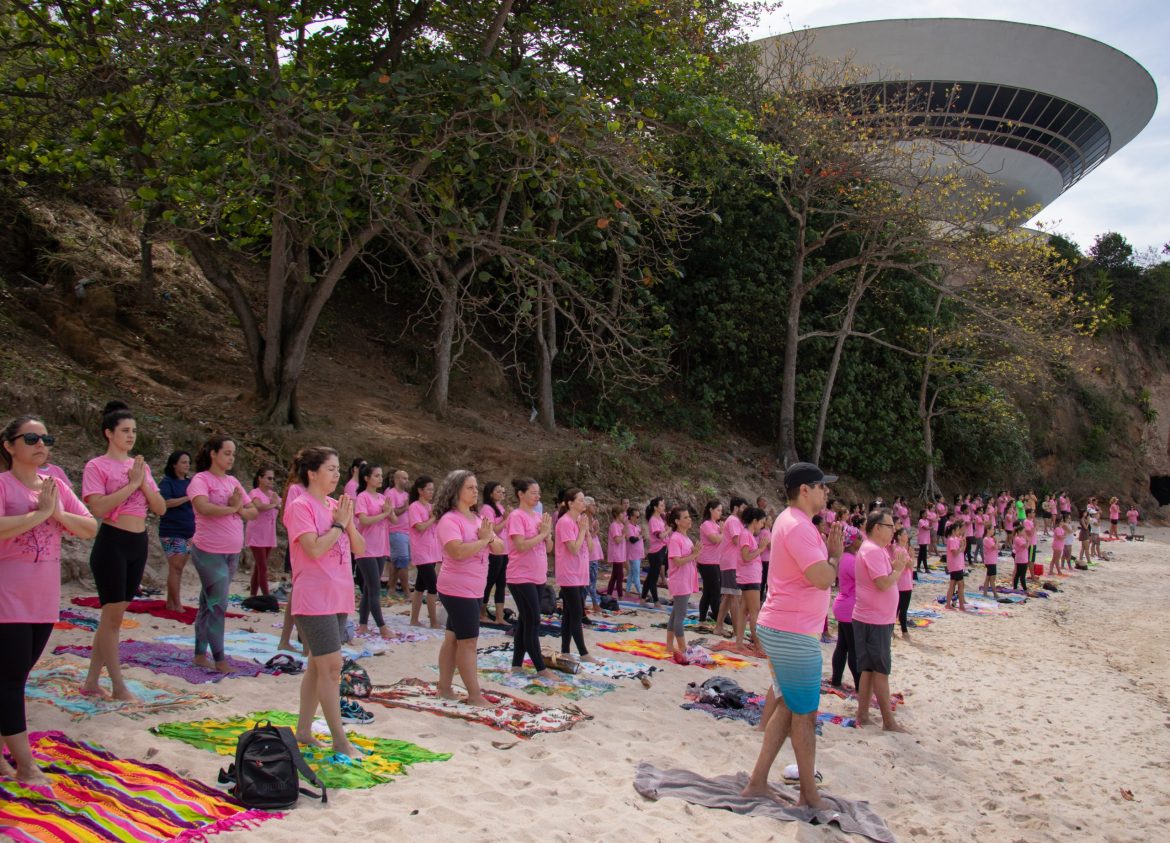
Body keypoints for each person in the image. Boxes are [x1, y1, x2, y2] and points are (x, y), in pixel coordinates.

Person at [1, 416, 97, 785]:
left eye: (47, 439)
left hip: (43, 598)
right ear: (10, 446)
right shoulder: (3, 485)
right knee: (9, 680)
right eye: (32, 438)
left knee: (15, 678)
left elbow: (89, 527)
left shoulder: (54, 486)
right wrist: (37, 514)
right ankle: (26, 765)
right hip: (7, 596)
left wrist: (55, 512)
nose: (42, 444)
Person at [742, 463, 843, 810]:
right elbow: (820, 577)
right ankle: (808, 795)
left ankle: (757, 782)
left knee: (787, 707)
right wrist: (835, 557)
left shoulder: (796, 523)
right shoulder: (797, 526)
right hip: (792, 631)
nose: (826, 492)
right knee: (806, 715)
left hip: (787, 627)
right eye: (821, 486)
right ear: (804, 489)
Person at [80, 401, 166, 700]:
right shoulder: (97, 466)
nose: (130, 436)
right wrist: (131, 486)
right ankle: (118, 685)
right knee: (112, 616)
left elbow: (160, 507)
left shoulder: (140, 467)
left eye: (134, 431)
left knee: (112, 617)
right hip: (112, 542)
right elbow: (97, 507)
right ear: (109, 433)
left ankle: (92, 681)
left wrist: (142, 483)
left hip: (138, 542)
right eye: (125, 431)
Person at [285, 446, 365, 755]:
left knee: (317, 668)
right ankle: (340, 741)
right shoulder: (300, 506)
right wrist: (338, 525)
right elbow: (314, 549)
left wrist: (348, 522)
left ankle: (303, 730)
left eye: (338, 469)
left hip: (339, 595)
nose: (336, 474)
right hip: (313, 597)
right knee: (332, 669)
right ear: (312, 472)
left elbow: (360, 546)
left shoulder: (335, 506)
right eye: (331, 468)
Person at [188, 435, 257, 673]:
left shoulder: (233, 482)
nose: (231, 458)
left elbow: (253, 511)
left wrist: (237, 508)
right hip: (208, 551)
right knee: (218, 604)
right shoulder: (201, 479)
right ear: (213, 454)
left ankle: (199, 654)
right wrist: (234, 508)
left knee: (208, 603)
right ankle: (220, 660)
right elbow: (202, 507)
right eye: (227, 453)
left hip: (231, 552)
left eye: (233, 454)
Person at [435, 470, 504, 706]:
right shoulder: (449, 520)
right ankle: (474, 695)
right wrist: (485, 540)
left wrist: (489, 538)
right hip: (456, 588)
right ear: (456, 491)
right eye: (470, 488)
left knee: (453, 638)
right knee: (469, 642)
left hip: (474, 588)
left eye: (476, 487)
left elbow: (501, 547)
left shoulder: (477, 519)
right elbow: (457, 551)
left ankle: (444, 687)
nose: (476, 491)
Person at [852, 510, 908, 731]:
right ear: (877, 528)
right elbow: (883, 584)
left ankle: (863, 714)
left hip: (875, 618)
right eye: (889, 526)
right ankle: (888, 721)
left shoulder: (877, 550)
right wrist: (898, 570)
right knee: (880, 670)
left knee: (868, 669)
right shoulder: (873, 550)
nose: (893, 530)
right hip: (873, 620)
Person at [506, 478, 555, 678]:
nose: (537, 496)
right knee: (534, 619)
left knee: (526, 620)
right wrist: (542, 534)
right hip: (520, 576)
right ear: (521, 494)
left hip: (537, 575)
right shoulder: (517, 516)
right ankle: (540, 668)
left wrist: (548, 535)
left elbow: (549, 549)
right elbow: (521, 545)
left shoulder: (537, 517)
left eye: (538, 493)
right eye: (533, 492)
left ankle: (516, 664)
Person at [555, 489, 596, 661]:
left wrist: (586, 531)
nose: (583, 503)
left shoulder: (580, 520)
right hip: (569, 572)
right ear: (570, 503)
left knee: (570, 613)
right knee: (577, 611)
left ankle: (565, 650)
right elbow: (573, 548)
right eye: (580, 500)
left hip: (581, 572)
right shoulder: (564, 522)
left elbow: (591, 548)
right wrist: (581, 531)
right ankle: (583, 652)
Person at [354, 464, 394, 638]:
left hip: (380, 547)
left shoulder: (381, 497)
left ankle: (362, 624)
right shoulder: (362, 497)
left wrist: (389, 511)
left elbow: (394, 518)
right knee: (375, 588)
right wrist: (384, 514)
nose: (380, 478)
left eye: (381, 475)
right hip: (366, 547)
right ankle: (382, 626)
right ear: (367, 478)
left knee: (369, 588)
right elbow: (364, 520)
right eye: (376, 475)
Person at [158, 450, 195, 611]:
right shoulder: (167, 482)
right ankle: (177, 604)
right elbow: (165, 503)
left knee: (179, 568)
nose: (187, 465)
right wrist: (187, 497)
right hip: (172, 530)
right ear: (174, 464)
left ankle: (170, 602)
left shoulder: (190, 482)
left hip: (189, 530)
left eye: (188, 462)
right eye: (183, 462)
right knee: (176, 567)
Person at [664, 505, 700, 659]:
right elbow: (677, 561)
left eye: (689, 517)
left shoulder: (686, 538)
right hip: (680, 581)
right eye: (685, 517)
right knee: (681, 615)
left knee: (675, 614)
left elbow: (689, 558)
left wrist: (694, 554)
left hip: (686, 579)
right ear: (677, 521)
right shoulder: (675, 538)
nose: (689, 519)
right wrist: (694, 555)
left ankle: (669, 645)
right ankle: (683, 648)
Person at [829, 526, 862, 689]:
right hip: (849, 607)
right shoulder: (850, 559)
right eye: (859, 539)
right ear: (853, 541)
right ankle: (859, 685)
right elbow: (864, 578)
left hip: (844, 604)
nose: (861, 542)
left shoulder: (847, 557)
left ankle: (836, 679)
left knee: (842, 645)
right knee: (853, 648)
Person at [408, 475, 440, 628]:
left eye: (432, 489)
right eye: (428, 489)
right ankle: (433, 621)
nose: (431, 492)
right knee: (433, 586)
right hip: (421, 551)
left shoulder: (429, 506)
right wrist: (433, 518)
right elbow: (419, 526)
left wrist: (436, 517)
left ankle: (414, 619)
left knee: (420, 587)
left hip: (432, 550)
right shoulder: (415, 506)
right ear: (420, 490)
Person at [713, 496, 748, 638]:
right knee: (735, 596)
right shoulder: (733, 520)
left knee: (728, 597)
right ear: (736, 507)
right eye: (743, 508)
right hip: (731, 562)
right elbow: (736, 540)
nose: (744, 511)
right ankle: (737, 630)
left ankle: (718, 626)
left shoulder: (737, 521)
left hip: (731, 561)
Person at [245, 465, 280, 597]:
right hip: (257, 533)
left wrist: (276, 504)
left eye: (273, 479)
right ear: (260, 478)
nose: (272, 481)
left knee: (259, 567)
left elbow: (280, 507)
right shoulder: (255, 493)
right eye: (269, 478)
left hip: (269, 533)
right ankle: (266, 596)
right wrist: (274, 504)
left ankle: (253, 595)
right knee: (263, 567)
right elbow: (259, 506)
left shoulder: (273, 495)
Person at [736, 506, 768, 653]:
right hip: (749, 577)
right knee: (754, 611)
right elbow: (746, 557)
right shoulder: (746, 535)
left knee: (744, 610)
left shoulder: (748, 534)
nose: (762, 525)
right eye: (761, 522)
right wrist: (761, 549)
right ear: (754, 521)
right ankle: (758, 644)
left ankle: (739, 642)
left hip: (750, 576)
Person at [479, 481, 510, 623]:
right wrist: (506, 519)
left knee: (501, 583)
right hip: (493, 550)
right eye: (498, 491)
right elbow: (492, 530)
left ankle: (499, 616)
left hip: (505, 549)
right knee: (489, 582)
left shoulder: (500, 507)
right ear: (490, 493)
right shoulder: (487, 508)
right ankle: (481, 613)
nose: (501, 494)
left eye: (502, 492)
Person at [386, 469, 412, 594]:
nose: (406, 481)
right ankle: (406, 590)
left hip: (406, 531)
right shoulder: (391, 493)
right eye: (404, 478)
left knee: (396, 561)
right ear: (396, 479)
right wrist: (405, 507)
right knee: (403, 561)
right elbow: (392, 512)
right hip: (396, 531)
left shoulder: (406, 495)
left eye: (407, 478)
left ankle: (391, 587)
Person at [697, 500, 723, 623]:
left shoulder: (716, 525)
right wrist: (723, 532)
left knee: (708, 591)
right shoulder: (706, 524)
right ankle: (718, 620)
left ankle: (702, 618)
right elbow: (715, 539)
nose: (720, 513)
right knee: (715, 592)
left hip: (715, 562)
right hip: (707, 562)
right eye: (718, 510)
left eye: (721, 510)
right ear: (711, 510)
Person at [641, 497, 668, 605]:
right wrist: (669, 530)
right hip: (655, 552)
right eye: (661, 505)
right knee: (654, 577)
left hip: (661, 550)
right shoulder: (653, 520)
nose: (663, 507)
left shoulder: (660, 518)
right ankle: (656, 601)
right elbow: (660, 535)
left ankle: (643, 599)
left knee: (650, 577)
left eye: (663, 504)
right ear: (656, 508)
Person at [893, 527, 914, 641]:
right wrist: (912, 557)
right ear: (900, 537)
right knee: (900, 609)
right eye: (905, 534)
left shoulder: (903, 549)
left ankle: (901, 630)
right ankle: (903, 631)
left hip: (906, 582)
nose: (907, 535)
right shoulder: (899, 550)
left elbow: (910, 565)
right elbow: (909, 565)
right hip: (902, 583)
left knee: (902, 608)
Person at [584, 496, 603, 614]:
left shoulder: (592, 519)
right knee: (589, 581)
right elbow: (587, 536)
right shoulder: (584, 519)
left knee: (591, 580)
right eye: (593, 505)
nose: (595, 507)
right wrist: (596, 531)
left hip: (593, 554)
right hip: (588, 555)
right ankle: (594, 603)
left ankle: (590, 603)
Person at [604, 504, 627, 598]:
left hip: (621, 553)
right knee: (619, 576)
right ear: (617, 514)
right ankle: (620, 596)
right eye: (622, 514)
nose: (624, 516)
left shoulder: (621, 525)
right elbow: (617, 540)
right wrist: (624, 534)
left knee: (614, 576)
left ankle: (609, 593)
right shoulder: (614, 525)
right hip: (616, 554)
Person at [943, 520, 967, 611]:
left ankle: (948, 604)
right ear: (953, 531)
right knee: (960, 585)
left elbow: (962, 550)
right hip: (955, 565)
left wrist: (963, 544)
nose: (959, 532)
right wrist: (961, 547)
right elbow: (955, 553)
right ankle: (961, 605)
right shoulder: (952, 540)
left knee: (953, 584)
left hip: (958, 565)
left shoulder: (956, 539)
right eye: (957, 530)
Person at [624, 507, 644, 598]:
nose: (638, 518)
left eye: (639, 517)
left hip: (638, 553)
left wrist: (641, 536)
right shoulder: (628, 526)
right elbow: (632, 539)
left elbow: (639, 538)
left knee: (632, 573)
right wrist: (641, 535)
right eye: (636, 516)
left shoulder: (637, 526)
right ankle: (640, 593)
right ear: (631, 517)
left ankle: (627, 591)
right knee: (636, 574)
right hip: (633, 554)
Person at [980, 527, 999, 597]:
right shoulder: (986, 539)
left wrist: (996, 542)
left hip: (992, 559)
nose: (993, 531)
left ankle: (985, 593)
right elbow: (994, 547)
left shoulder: (991, 538)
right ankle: (995, 594)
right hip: (990, 561)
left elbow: (997, 547)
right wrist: (996, 542)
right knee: (992, 578)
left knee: (988, 577)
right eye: (992, 529)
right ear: (988, 530)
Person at [1011, 525, 1030, 590]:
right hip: (1021, 558)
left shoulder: (1021, 538)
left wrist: (1027, 541)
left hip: (1023, 558)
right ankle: (1023, 587)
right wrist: (1027, 541)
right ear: (1019, 531)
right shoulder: (1017, 539)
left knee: (1019, 573)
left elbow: (1027, 547)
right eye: (1023, 531)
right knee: (1021, 574)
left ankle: (1016, 586)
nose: (1024, 532)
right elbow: (1025, 546)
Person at [915, 508, 931, 575]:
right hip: (922, 539)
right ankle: (926, 568)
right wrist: (930, 528)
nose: (926, 515)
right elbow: (925, 528)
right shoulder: (921, 521)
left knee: (921, 554)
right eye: (925, 514)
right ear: (922, 515)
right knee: (923, 554)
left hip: (926, 538)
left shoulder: (927, 520)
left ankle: (918, 567)